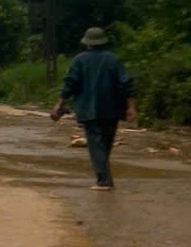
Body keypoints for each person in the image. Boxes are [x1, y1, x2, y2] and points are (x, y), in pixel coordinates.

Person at [51, 27, 137, 192]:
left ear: (87, 44)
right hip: (112, 109)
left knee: (96, 145)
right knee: (105, 144)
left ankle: (104, 181)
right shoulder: (113, 60)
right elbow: (126, 84)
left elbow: (70, 84)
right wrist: (131, 106)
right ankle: (106, 178)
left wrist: (59, 104)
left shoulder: (79, 60)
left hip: (88, 110)